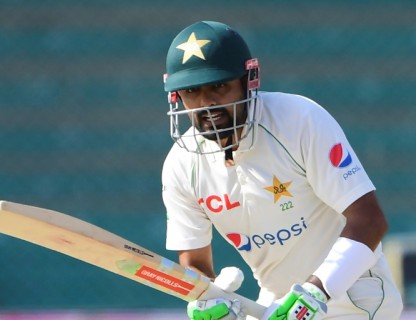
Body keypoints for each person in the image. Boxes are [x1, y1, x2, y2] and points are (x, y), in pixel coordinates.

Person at [161, 20, 403, 320]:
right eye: (192, 91)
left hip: (353, 300)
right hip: (274, 306)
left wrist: (313, 294)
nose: (207, 103)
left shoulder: (299, 121)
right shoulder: (181, 165)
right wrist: (208, 299)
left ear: (249, 79)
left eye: (219, 86)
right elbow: (194, 261)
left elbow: (370, 221)